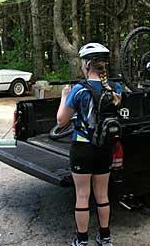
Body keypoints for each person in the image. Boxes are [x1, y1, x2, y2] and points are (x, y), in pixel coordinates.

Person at [56, 43, 122, 246]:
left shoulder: (78, 90)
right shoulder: (116, 88)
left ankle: (82, 241)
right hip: (104, 147)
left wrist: (64, 97)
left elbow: (61, 121)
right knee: (103, 195)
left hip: (83, 148)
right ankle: (105, 238)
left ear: (86, 65)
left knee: (82, 195)